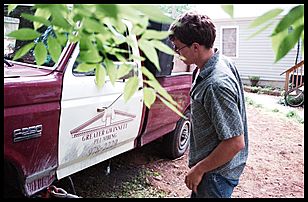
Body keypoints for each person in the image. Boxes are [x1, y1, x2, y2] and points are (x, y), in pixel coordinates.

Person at [168, 11, 249, 198]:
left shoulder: (216, 84)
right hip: (213, 171)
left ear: (195, 47)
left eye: (178, 48)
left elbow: (235, 142)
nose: (176, 53)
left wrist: (198, 170)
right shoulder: (219, 61)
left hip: (214, 176)